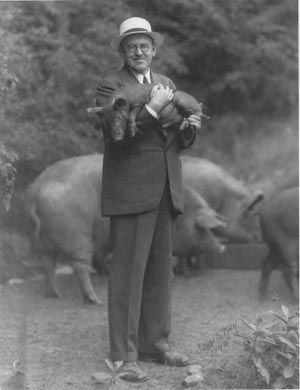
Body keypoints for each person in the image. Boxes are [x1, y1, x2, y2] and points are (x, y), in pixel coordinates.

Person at [96, 16, 201, 382]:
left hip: (165, 189)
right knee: (127, 274)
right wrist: (153, 110)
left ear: (154, 50)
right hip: (130, 191)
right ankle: (125, 357)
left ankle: (156, 343)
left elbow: (174, 142)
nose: (139, 52)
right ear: (123, 51)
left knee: (160, 272)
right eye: (132, 46)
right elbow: (116, 138)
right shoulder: (111, 85)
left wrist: (188, 131)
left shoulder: (167, 83)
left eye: (145, 46)